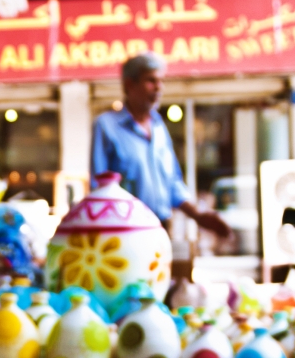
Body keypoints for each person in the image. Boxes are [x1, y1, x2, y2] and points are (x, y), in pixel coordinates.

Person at [90, 52, 232, 238]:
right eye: (151, 81)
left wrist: (198, 215)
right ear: (129, 84)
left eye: (161, 81)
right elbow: (99, 189)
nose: (158, 88)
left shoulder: (158, 128)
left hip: (162, 229)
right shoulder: (106, 126)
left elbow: (172, 182)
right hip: (125, 234)